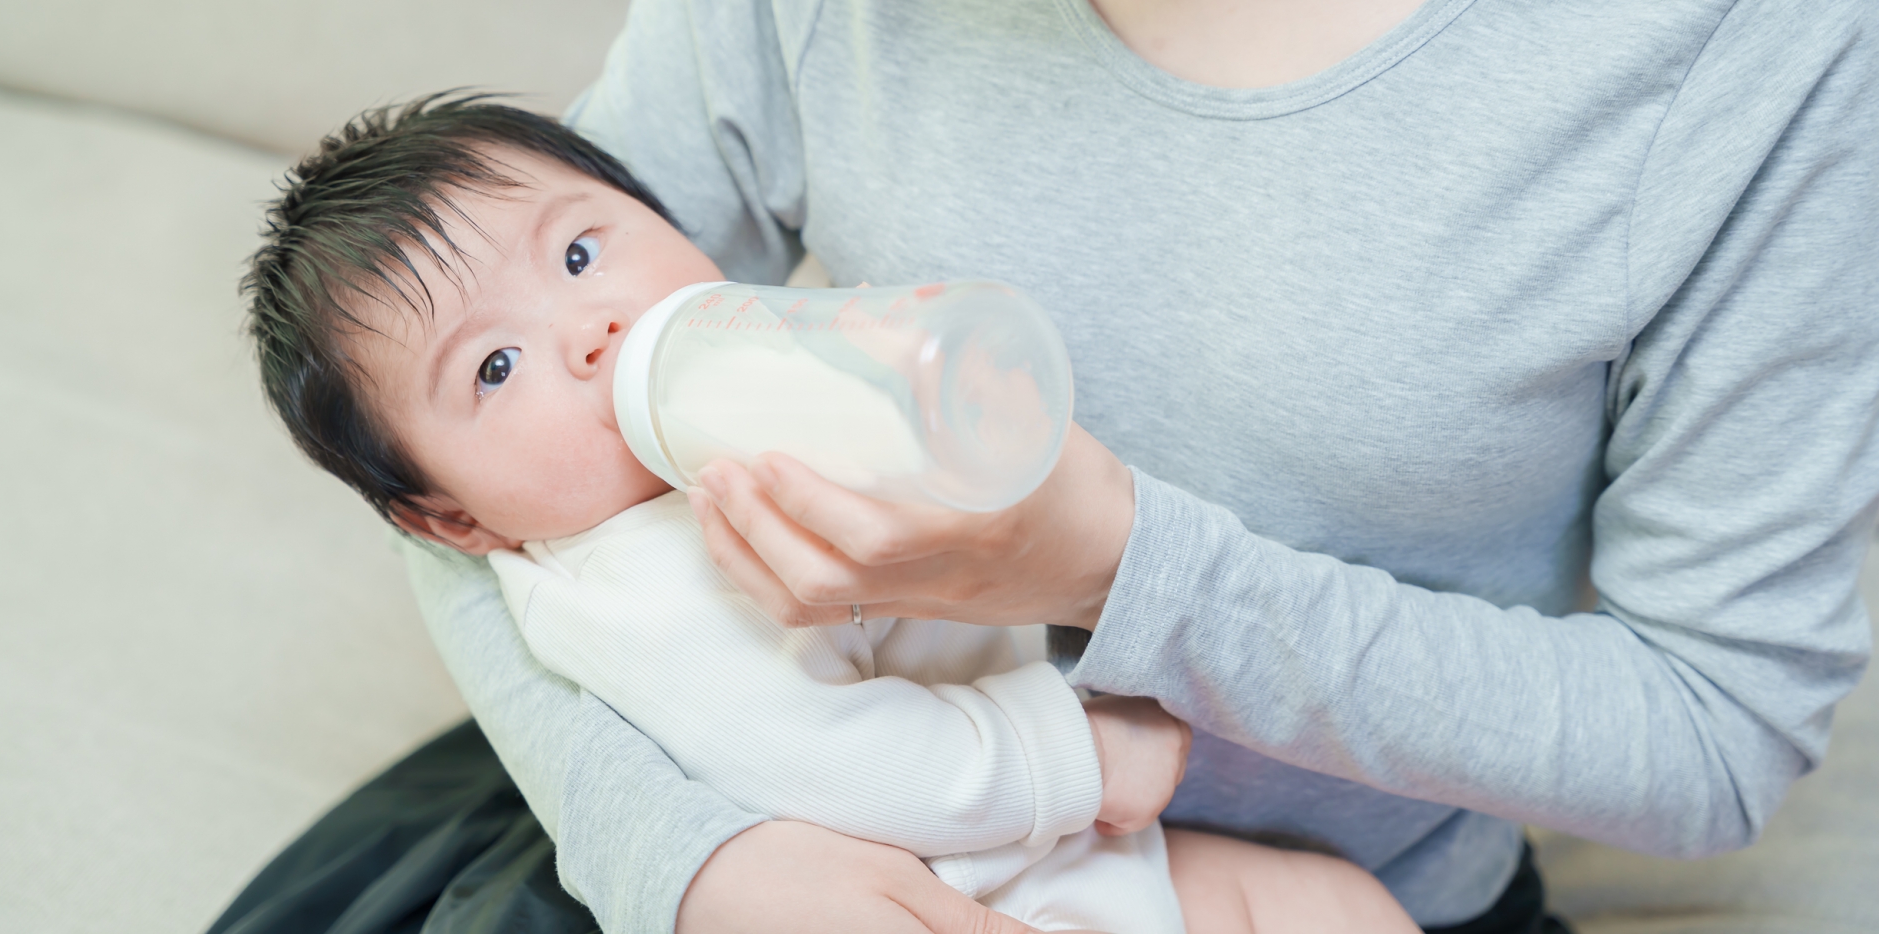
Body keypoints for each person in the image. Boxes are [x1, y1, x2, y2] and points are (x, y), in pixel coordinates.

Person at [402, 0, 1879, 931]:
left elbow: (1711, 735)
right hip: (807, 842)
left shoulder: (1762, 28)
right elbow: (450, 422)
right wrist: (678, 858)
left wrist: (1126, 576)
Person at [241, 96, 1420, 933]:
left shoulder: (757, 385)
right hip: (959, 886)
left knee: (1336, 907)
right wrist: (1081, 753)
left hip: (1075, 854)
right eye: (496, 368)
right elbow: (852, 769)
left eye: (584, 249)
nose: (588, 329)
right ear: (459, 524)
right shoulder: (642, 589)